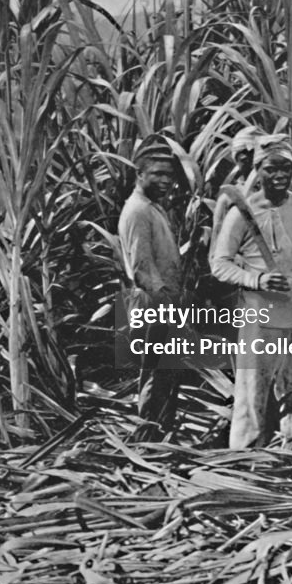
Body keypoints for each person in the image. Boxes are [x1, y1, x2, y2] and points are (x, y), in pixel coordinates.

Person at [211, 134, 292, 448]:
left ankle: (290, 454)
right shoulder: (243, 212)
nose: (279, 175)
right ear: (259, 169)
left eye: (286, 168)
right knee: (252, 392)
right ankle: (245, 465)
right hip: (259, 316)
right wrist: (257, 280)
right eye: (271, 168)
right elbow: (220, 263)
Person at [118, 134, 185, 439]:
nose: (165, 180)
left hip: (161, 302)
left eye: (169, 175)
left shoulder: (152, 207)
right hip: (152, 303)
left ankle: (160, 433)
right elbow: (141, 269)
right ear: (139, 174)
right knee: (155, 373)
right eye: (157, 173)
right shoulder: (138, 211)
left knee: (164, 371)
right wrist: (167, 304)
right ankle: (149, 438)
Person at [209, 125, 263, 250]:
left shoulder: (276, 193)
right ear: (237, 161)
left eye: (255, 157)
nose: (252, 164)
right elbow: (217, 245)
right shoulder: (229, 197)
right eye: (244, 159)